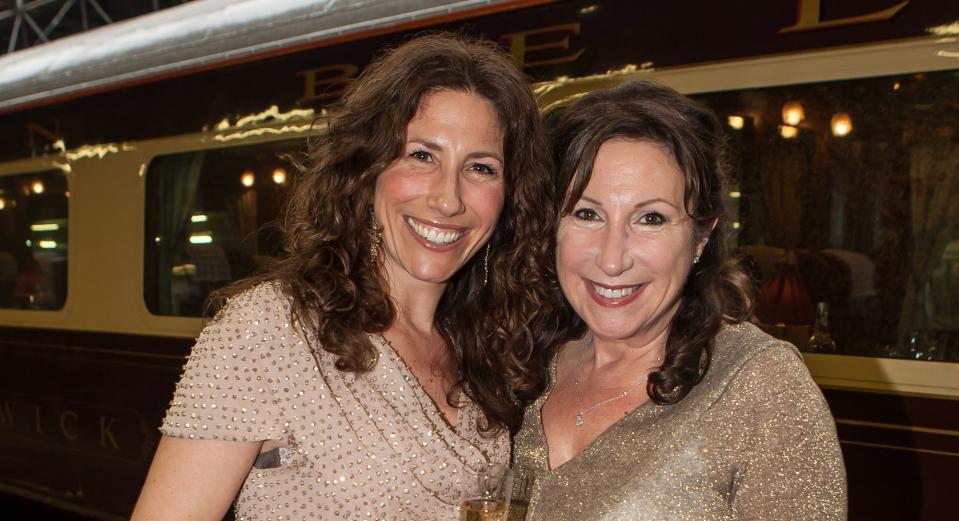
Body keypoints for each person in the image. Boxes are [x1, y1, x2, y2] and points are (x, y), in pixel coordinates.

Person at [132, 33, 558, 521]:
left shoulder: (489, 348)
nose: (449, 198)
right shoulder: (270, 328)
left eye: (481, 167)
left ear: (509, 197)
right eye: (421, 155)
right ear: (367, 168)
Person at [511, 80, 847, 520]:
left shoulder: (759, 383)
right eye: (587, 213)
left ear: (701, 238)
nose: (612, 259)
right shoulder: (520, 362)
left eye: (651, 218)